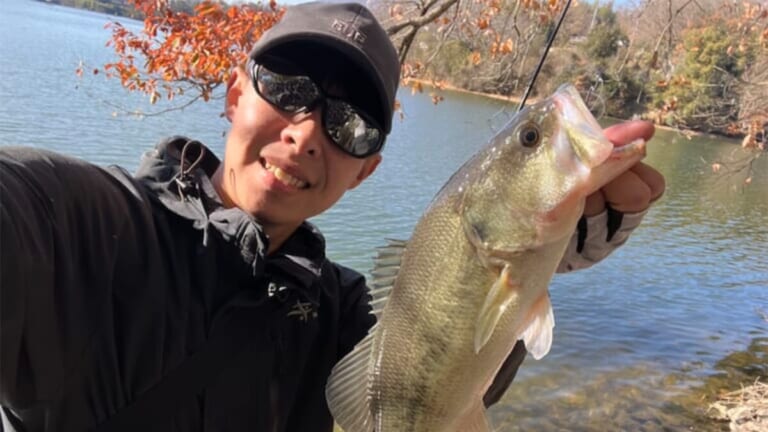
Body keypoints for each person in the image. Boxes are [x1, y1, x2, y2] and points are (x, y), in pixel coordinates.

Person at [0, 2, 664, 431]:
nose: (308, 132)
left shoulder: (344, 312)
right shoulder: (75, 222)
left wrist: (549, 261)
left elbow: (449, 382)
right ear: (236, 94)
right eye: (288, 89)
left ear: (366, 168)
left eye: (350, 123)